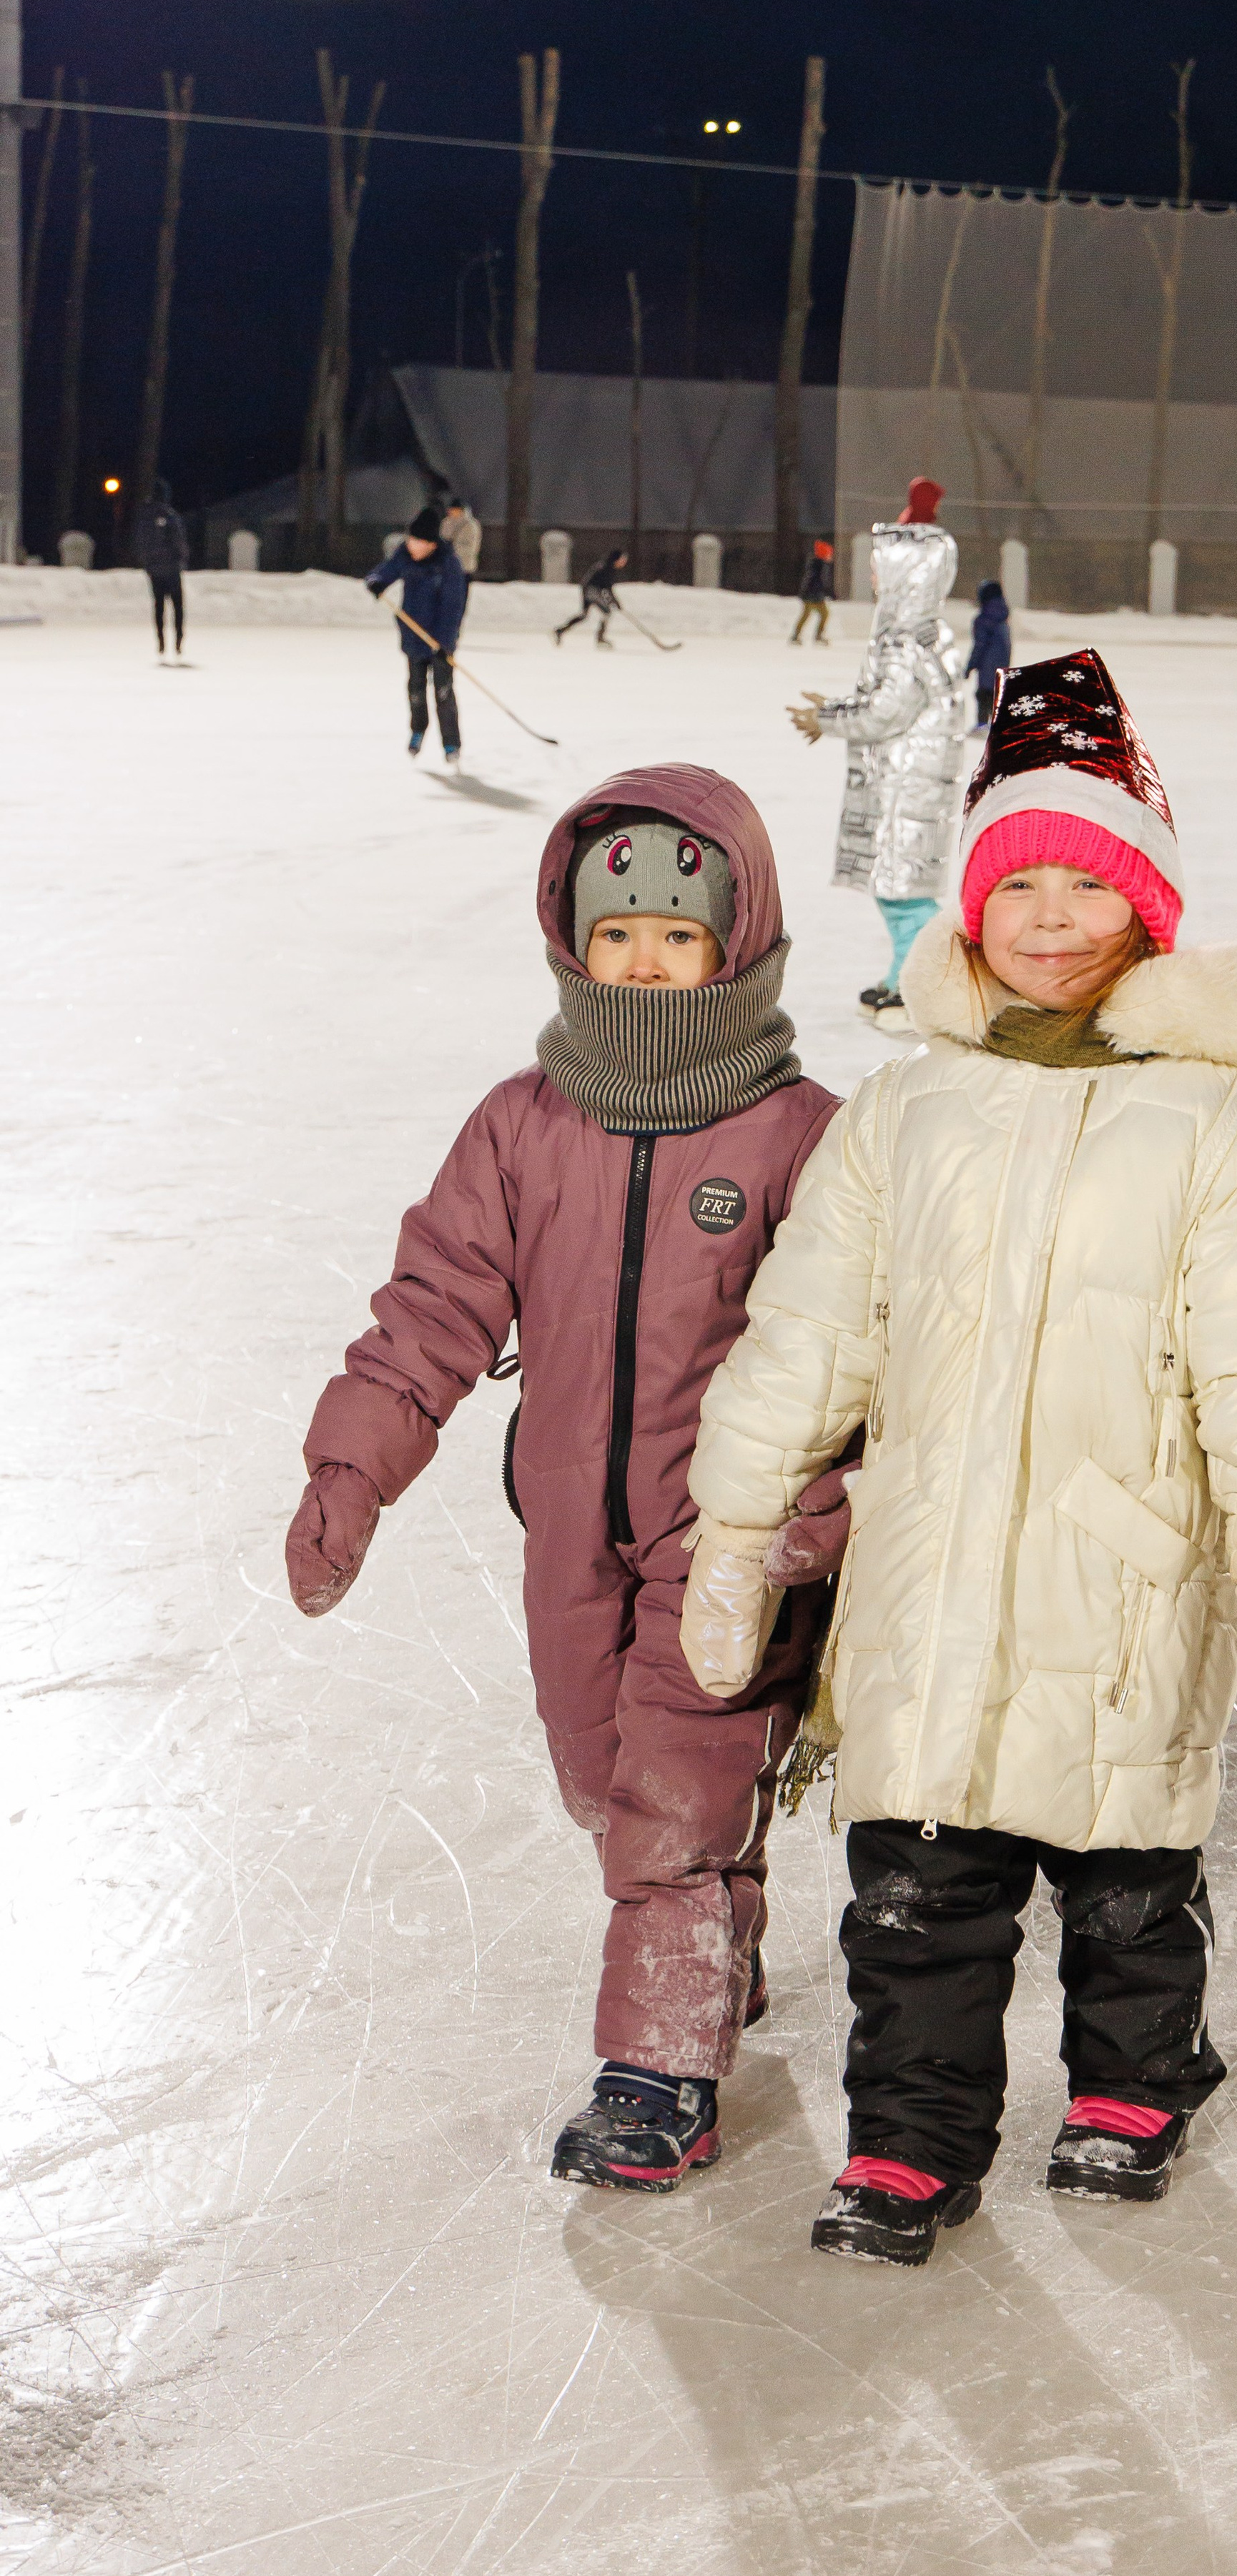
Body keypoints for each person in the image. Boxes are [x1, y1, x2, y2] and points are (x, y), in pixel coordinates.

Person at [685, 648, 1237, 2267]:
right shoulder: (904, 1114)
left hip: (1124, 1576)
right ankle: (911, 2140)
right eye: (1018, 884)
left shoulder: (1209, 1127)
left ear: (1147, 912)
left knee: (1127, 1875)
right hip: (922, 1587)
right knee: (913, 1893)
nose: (1050, 917)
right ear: (968, 910)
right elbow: (809, 1329)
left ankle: (1137, 2073)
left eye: (1089, 885)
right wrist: (733, 1520)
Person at [285, 769, 842, 2190]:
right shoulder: (521, 1125)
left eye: (675, 933)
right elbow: (432, 1308)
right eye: (616, 936)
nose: (645, 961)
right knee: (607, 1780)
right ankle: (709, 1947)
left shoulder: (798, 1134)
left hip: (730, 1538)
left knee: (671, 1788)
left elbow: (861, 1348)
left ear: (738, 938)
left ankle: (660, 2070)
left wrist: (814, 1521)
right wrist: (355, 1466)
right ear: (569, 943)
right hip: (567, 1537)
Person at [788, 511, 965, 1029]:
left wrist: (827, 717)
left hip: (904, 787)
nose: (871, 578)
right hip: (910, 780)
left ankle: (926, 983)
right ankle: (903, 977)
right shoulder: (922, 632)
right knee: (900, 888)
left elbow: (886, 710)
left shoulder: (905, 639)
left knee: (902, 892)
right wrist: (840, 705)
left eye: (878, 568)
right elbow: (888, 699)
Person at [365, 508, 468, 765]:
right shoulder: (405, 556)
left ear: (432, 544)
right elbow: (385, 571)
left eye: (418, 542)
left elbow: (453, 608)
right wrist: (376, 582)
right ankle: (418, 730)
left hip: (439, 640)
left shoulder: (448, 564)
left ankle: (451, 744)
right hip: (413, 635)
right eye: (410, 540)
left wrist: (444, 644)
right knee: (415, 689)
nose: (412, 545)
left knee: (444, 692)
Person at [134, 478, 189, 658]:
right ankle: (178, 639)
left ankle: (160, 640)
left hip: (154, 569)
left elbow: (141, 542)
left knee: (159, 606)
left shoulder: (145, 516)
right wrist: (182, 558)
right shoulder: (170, 515)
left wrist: (147, 563)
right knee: (178, 606)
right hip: (171, 568)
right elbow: (179, 540)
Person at [553, 548, 629, 645]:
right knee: (606, 612)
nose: (624, 563)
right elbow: (607, 589)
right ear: (616, 559)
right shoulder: (607, 568)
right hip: (592, 591)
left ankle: (560, 631)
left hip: (588, 589)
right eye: (623, 560)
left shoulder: (606, 566)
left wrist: (613, 602)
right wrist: (615, 602)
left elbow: (605, 589)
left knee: (584, 615)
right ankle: (600, 638)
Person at [966, 577, 1011, 729]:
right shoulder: (1003, 618)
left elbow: (980, 645)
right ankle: (996, 726)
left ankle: (982, 725)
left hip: (986, 667)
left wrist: (970, 665)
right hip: (1001, 666)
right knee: (996, 697)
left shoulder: (983, 620)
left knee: (984, 696)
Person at [790, 540, 834, 646]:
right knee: (823, 614)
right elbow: (818, 582)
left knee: (807, 615)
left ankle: (797, 635)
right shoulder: (820, 566)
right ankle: (816, 636)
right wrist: (823, 593)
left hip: (811, 594)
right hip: (813, 595)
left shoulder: (818, 564)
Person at [441, 497, 483, 576]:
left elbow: (472, 546)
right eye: (450, 509)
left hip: (464, 565)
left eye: (454, 510)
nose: (451, 512)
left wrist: (452, 550)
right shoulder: (446, 522)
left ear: (461, 510)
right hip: (447, 565)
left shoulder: (471, 525)